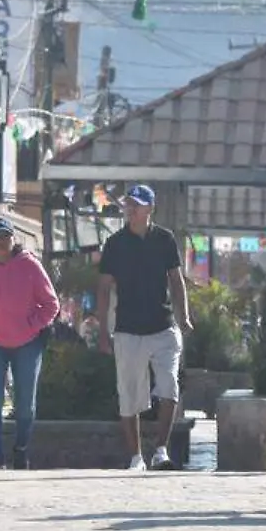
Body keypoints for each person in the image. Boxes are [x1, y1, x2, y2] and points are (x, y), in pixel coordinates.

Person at [96, 184, 193, 471]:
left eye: (137, 205)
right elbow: (103, 288)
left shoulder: (164, 239)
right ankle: (136, 456)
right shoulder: (115, 244)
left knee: (168, 387)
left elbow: (176, 280)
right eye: (128, 204)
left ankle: (161, 450)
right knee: (129, 395)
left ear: (150, 209)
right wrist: (103, 330)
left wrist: (184, 315)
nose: (131, 209)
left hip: (163, 327)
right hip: (127, 329)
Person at [0, 217, 60, 470]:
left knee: (25, 404)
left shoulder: (30, 266)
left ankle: (21, 449)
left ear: (14, 239)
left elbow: (51, 305)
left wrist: (32, 324)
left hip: (28, 344)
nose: (2, 242)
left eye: (6, 236)